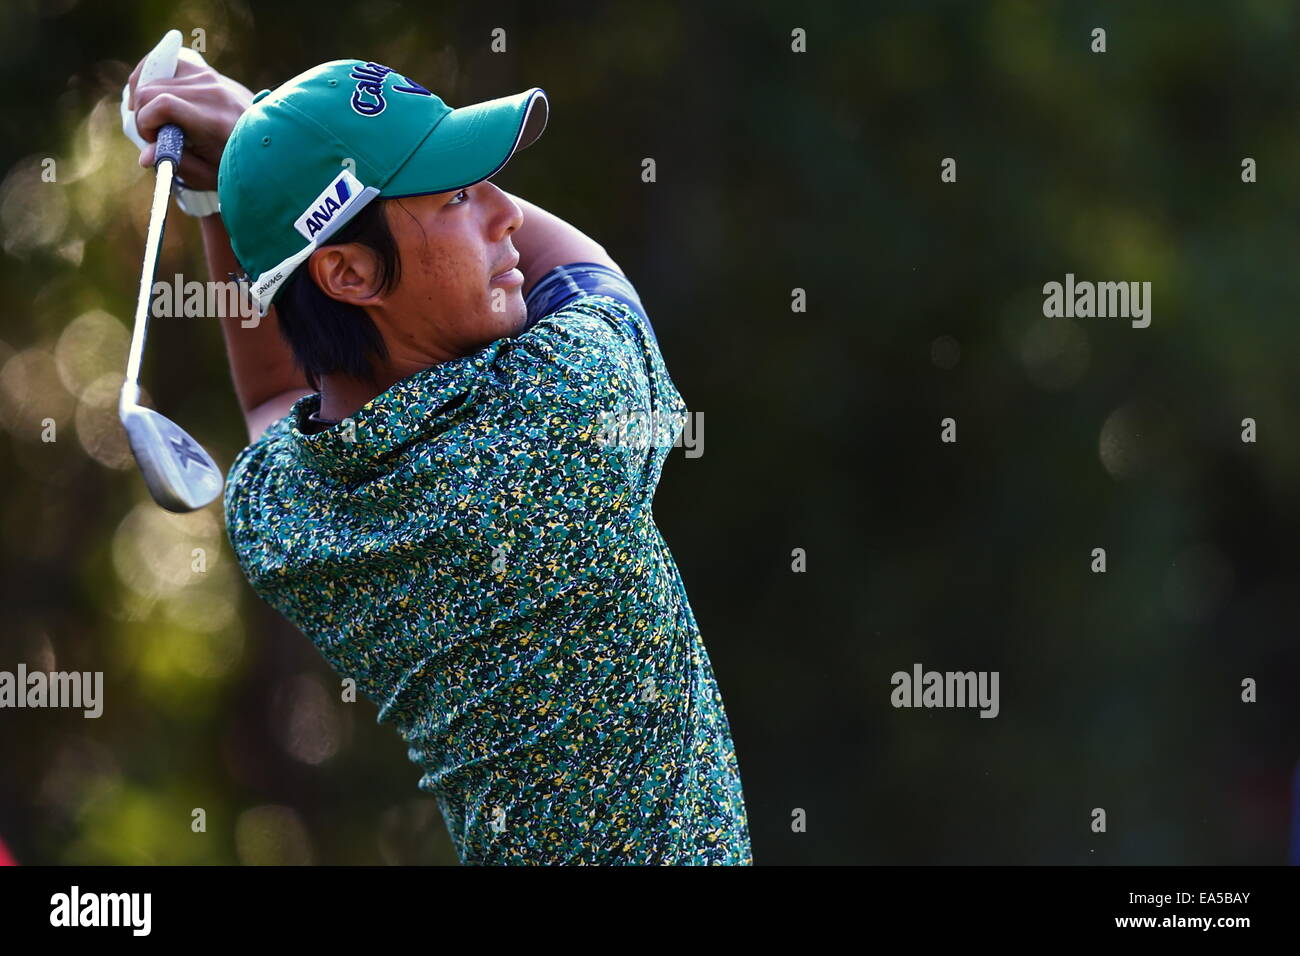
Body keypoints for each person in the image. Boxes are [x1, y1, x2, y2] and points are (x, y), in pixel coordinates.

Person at [126, 53, 753, 865]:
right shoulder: (562, 408)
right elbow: (594, 275)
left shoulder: (282, 517)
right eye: (457, 194)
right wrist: (251, 135)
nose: (505, 216)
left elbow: (273, 404)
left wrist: (232, 192)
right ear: (347, 273)